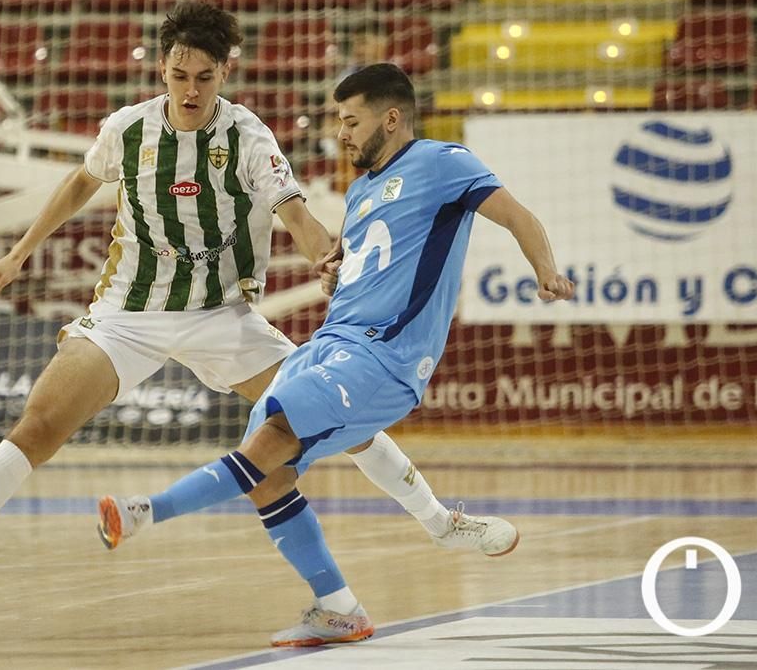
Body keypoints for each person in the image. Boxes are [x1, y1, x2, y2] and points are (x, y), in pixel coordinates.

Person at [0, 2, 501, 584]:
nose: (190, 89)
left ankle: (440, 522)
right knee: (40, 423)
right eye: (178, 75)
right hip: (128, 314)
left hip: (223, 316)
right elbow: (77, 185)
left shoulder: (247, 135)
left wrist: (324, 255)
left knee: (335, 415)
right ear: (163, 69)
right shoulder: (128, 129)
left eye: (204, 76)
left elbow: (296, 213)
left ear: (225, 72)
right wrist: (17, 253)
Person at [95, 62, 577, 647]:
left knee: (267, 443)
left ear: (392, 118)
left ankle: (144, 512)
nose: (341, 133)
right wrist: (339, 279)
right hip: (331, 342)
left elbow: (518, 216)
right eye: (337, 121)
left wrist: (545, 270)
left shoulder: (442, 163)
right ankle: (341, 608)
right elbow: (374, 264)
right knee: (267, 480)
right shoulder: (362, 189)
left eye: (351, 121)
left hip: (386, 357)